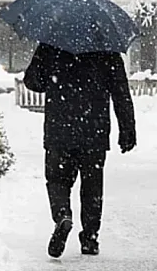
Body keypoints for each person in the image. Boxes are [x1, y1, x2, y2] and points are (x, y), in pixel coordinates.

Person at [23, 43, 137, 258]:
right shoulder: (107, 50)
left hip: (60, 128)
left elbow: (32, 81)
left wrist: (51, 76)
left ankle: (62, 215)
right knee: (92, 185)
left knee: (57, 179)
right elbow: (121, 92)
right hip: (94, 129)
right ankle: (90, 238)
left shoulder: (52, 43)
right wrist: (127, 128)